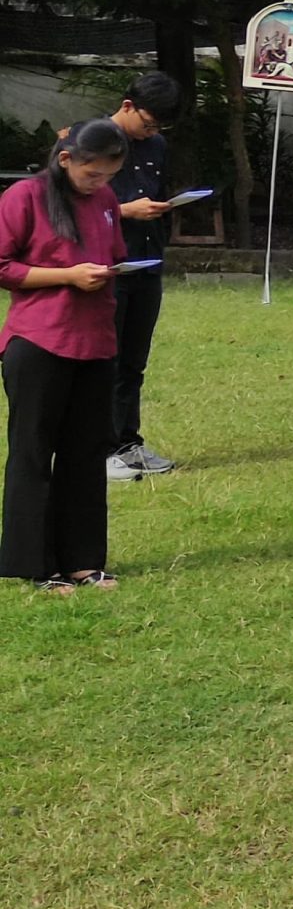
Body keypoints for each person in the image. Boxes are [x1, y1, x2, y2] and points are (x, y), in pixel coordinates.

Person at [0, 121, 129, 591]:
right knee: (34, 451)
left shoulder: (107, 202)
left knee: (85, 453)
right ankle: (36, 563)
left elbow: (112, 252)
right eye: (92, 175)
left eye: (108, 177)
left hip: (94, 342)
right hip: (38, 341)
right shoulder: (24, 197)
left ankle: (82, 559)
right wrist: (67, 276)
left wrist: (109, 272)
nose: (100, 185)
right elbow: (4, 266)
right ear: (66, 159)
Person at [100, 70, 183, 481]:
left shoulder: (156, 146)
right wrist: (124, 211)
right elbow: (69, 203)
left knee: (134, 360)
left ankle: (128, 441)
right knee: (106, 359)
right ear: (128, 106)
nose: (150, 133)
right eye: (147, 124)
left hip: (147, 262)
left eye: (158, 128)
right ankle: (101, 446)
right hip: (106, 266)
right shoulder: (90, 140)